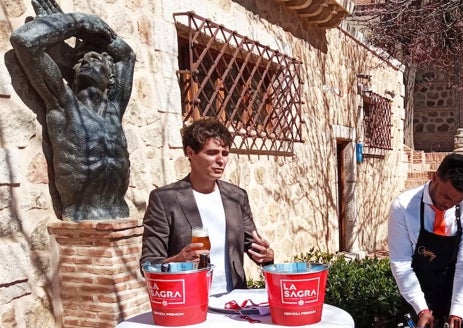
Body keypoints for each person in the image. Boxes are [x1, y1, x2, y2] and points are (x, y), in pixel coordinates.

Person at [10, 0, 135, 220]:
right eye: (79, 61)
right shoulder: (64, 105)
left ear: (111, 75)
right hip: (79, 225)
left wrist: (94, 29)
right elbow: (24, 41)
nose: (84, 63)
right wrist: (78, 21)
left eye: (94, 59)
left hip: (121, 219)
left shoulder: (114, 110)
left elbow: (127, 56)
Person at [140, 118, 274, 296]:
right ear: (190, 152)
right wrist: (179, 260)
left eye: (225, 153)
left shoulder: (236, 196)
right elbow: (148, 265)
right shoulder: (165, 199)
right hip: (188, 300)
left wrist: (267, 256)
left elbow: (253, 247)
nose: (221, 160)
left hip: (233, 302)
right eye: (212, 153)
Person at [388, 153, 463, 328]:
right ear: (435, 177)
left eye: (457, 201)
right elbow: (400, 263)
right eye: (446, 196)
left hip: (453, 288)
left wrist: (456, 314)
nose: (449, 204)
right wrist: (421, 308)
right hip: (416, 287)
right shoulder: (403, 207)